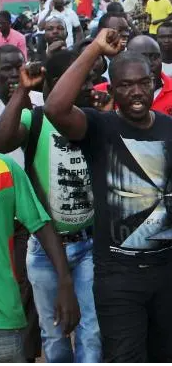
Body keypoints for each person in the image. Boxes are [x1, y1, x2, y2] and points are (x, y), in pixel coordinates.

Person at [43, 29, 172, 362]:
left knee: (169, 353)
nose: (136, 92)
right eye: (125, 85)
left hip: (170, 268)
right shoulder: (98, 127)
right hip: (118, 273)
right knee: (125, 355)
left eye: (143, 83)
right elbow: (56, 109)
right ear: (111, 89)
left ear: (154, 83)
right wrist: (95, 49)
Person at [0, 49, 103, 362]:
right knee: (54, 335)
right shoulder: (35, 120)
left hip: (89, 243)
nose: (84, 86)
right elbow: (3, 142)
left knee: (91, 332)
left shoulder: (93, 120)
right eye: (76, 80)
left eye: (87, 79)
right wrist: (22, 90)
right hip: (44, 250)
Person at [0, 151, 80, 362]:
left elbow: (41, 225)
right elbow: (41, 225)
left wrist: (65, 281)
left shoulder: (6, 168)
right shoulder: (5, 166)